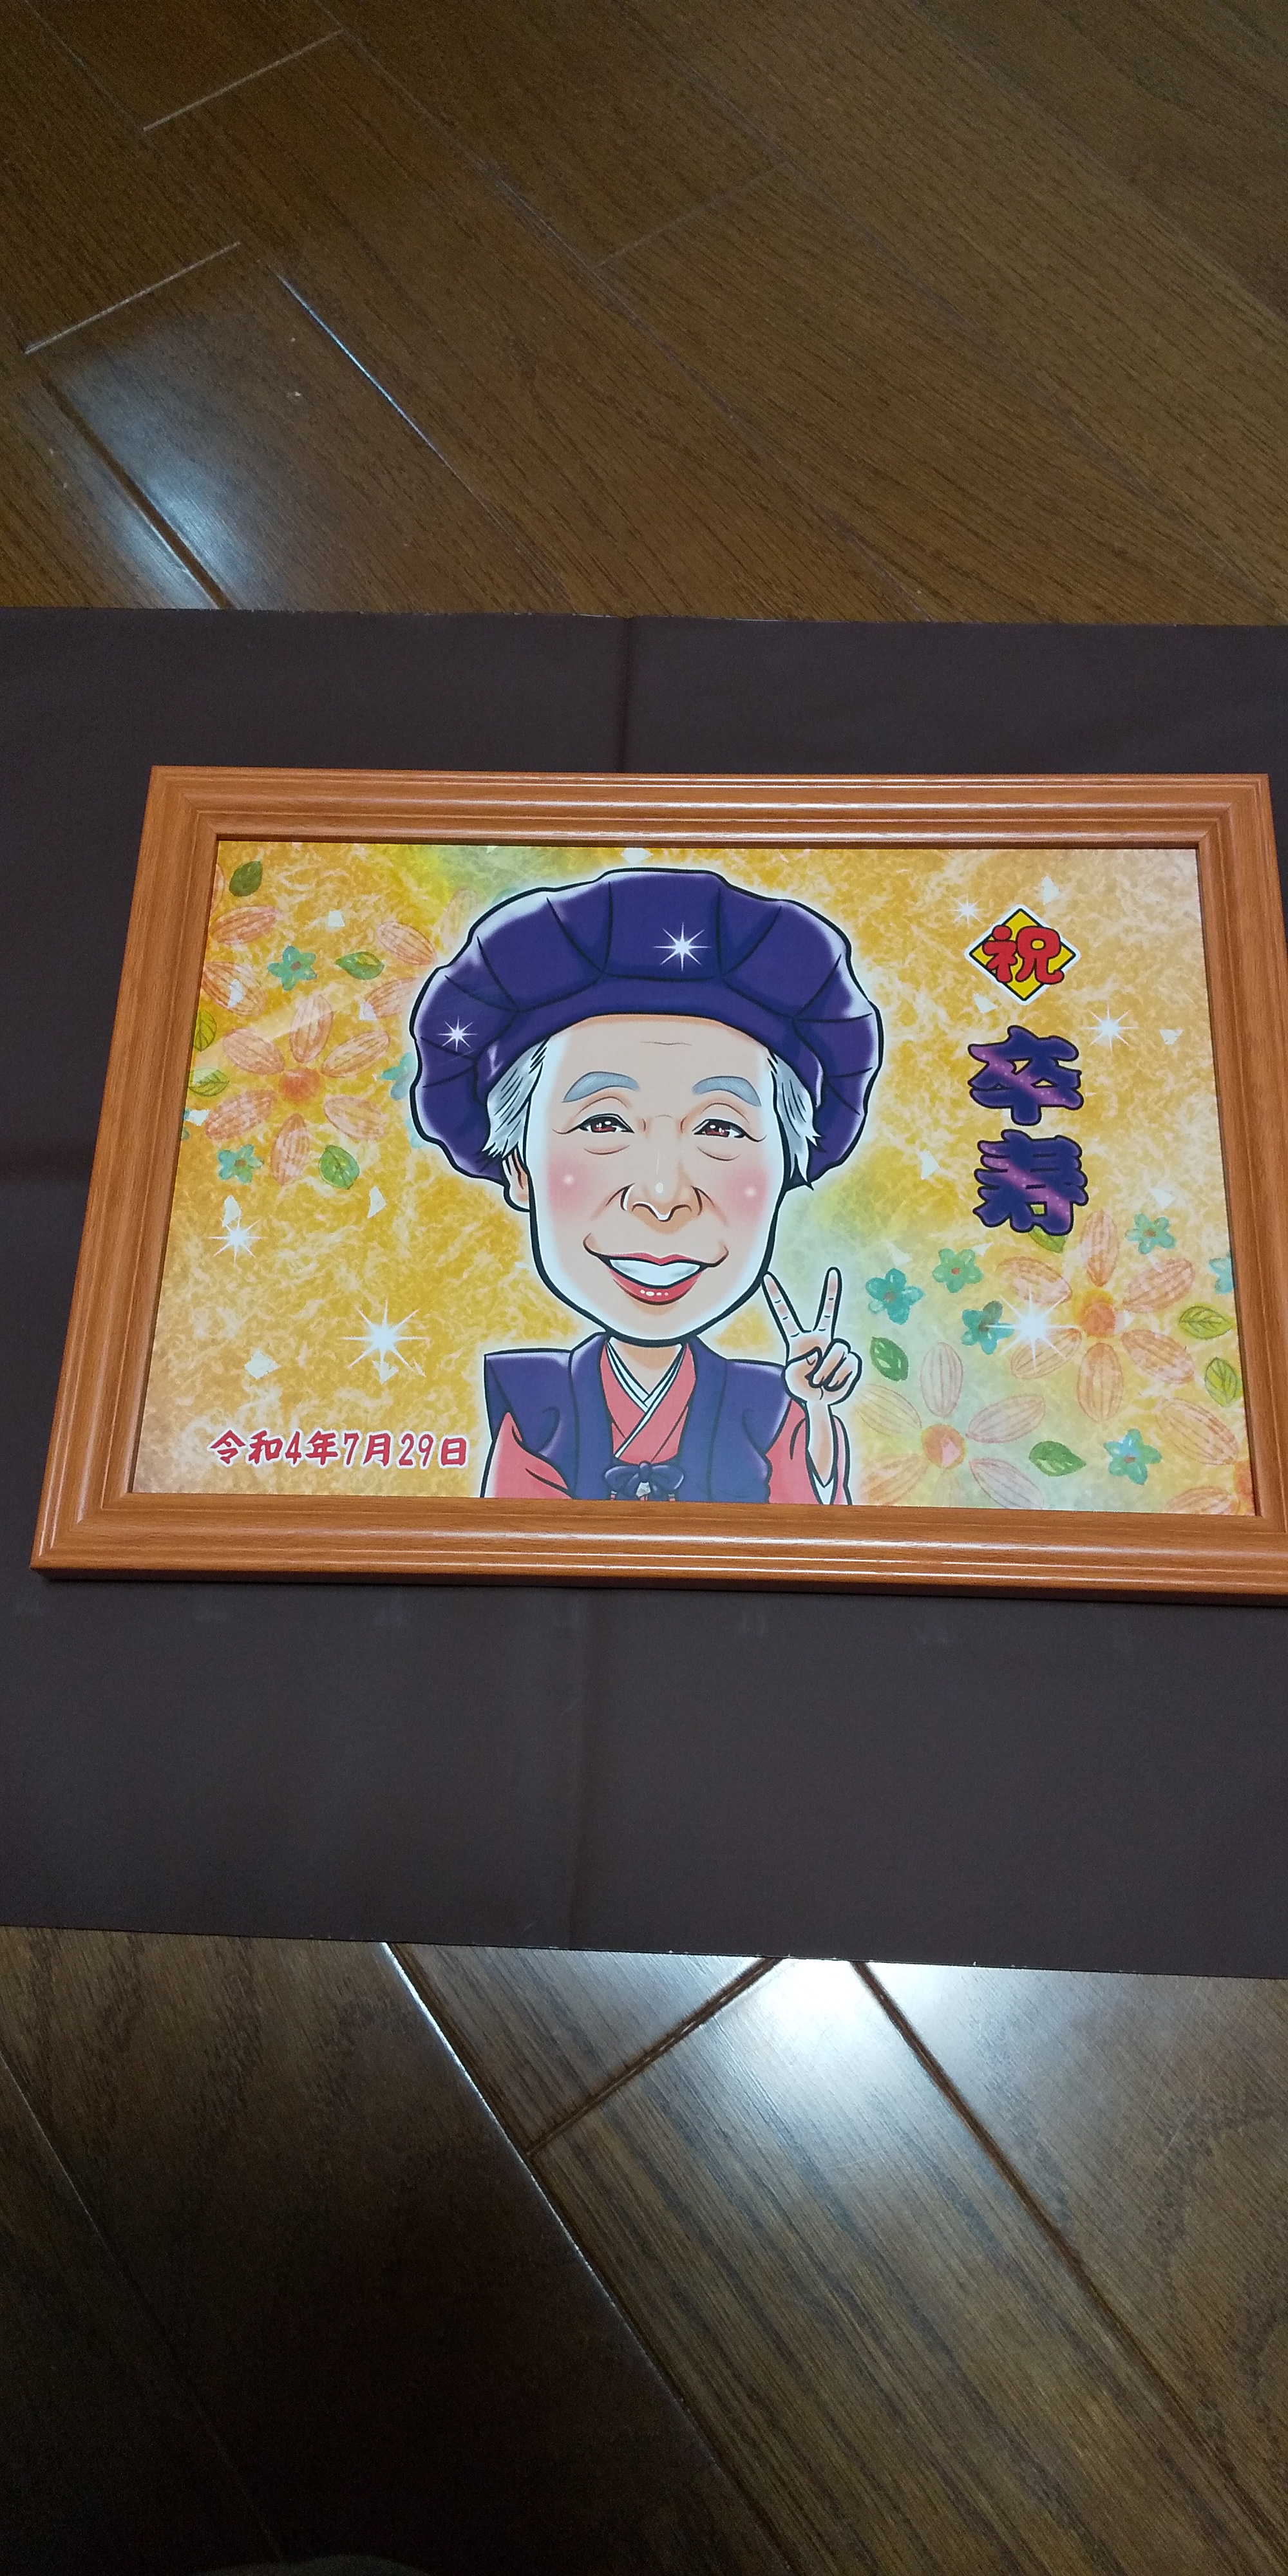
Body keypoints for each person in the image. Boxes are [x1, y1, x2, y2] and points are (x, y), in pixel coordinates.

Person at [410, 866, 882, 1505]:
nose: (663, 1195)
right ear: (519, 1167)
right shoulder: (534, 1402)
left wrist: (817, 1414)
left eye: (720, 1127)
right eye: (604, 1122)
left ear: (782, 1171)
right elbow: (513, 1544)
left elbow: (812, 1535)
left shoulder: (772, 1404)